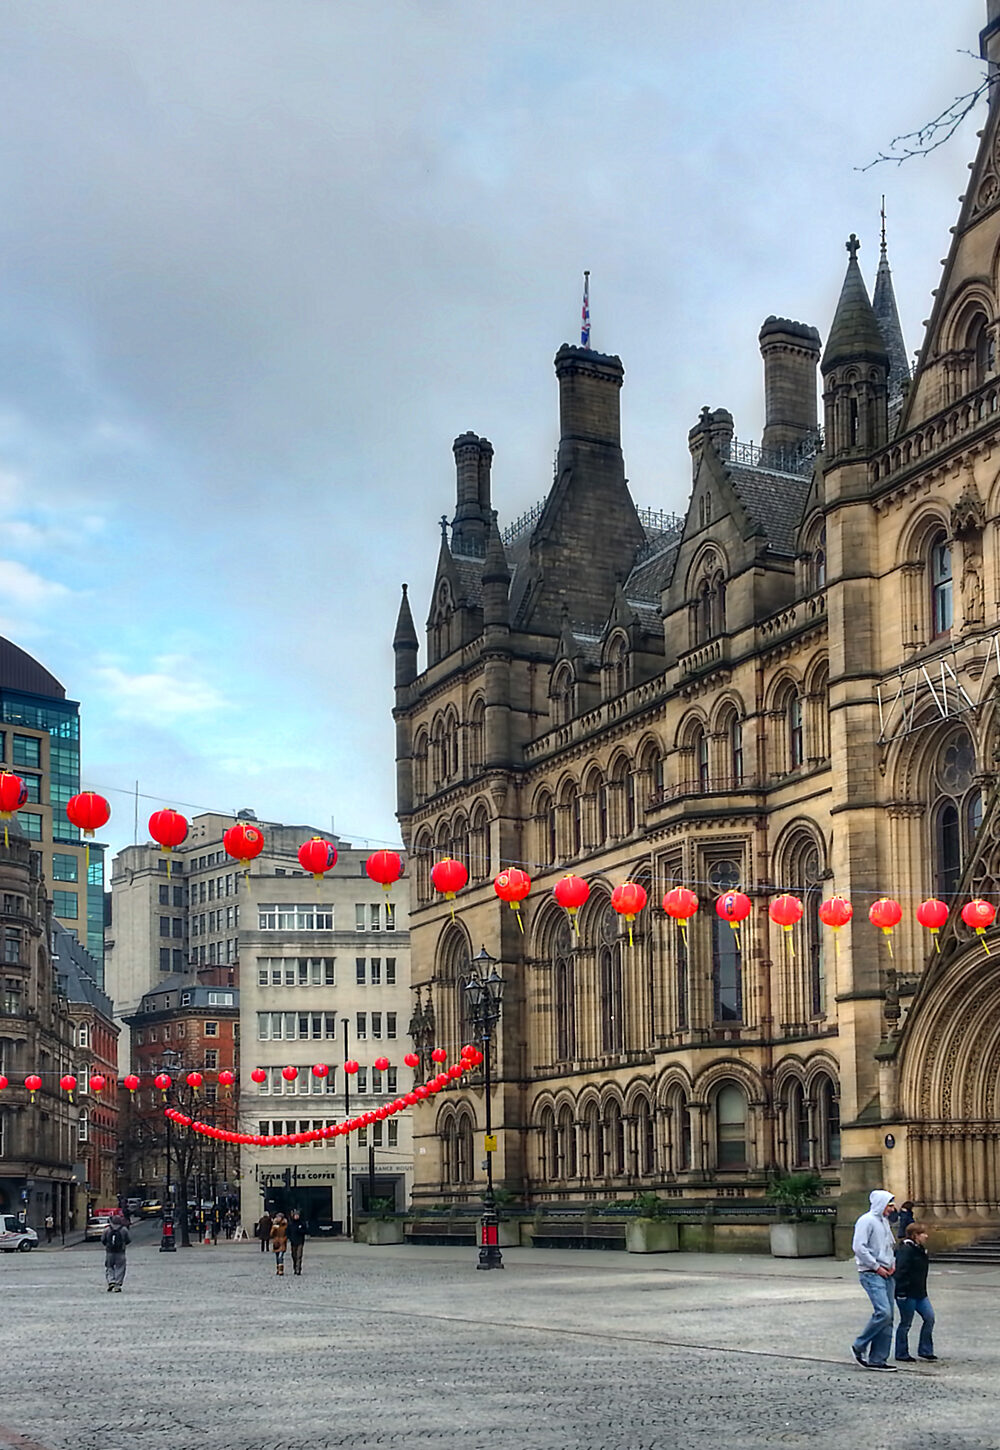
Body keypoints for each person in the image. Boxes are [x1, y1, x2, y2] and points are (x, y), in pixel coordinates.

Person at [851, 1189, 897, 1371]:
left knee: (889, 1318)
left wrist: (892, 1263)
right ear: (881, 1204)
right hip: (871, 1273)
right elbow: (859, 1247)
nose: (892, 1209)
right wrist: (876, 1266)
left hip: (887, 1272)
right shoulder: (866, 1220)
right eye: (890, 1205)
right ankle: (859, 1345)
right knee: (883, 1312)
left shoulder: (884, 1222)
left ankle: (878, 1359)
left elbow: (889, 1246)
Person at [895, 1222, 937, 1363]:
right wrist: (901, 1291)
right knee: (906, 1323)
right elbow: (901, 1271)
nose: (926, 1236)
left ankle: (925, 1350)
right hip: (907, 1293)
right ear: (915, 1236)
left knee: (929, 1317)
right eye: (923, 1233)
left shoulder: (919, 1249)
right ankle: (901, 1352)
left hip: (920, 1292)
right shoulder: (907, 1250)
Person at [101, 1212, 130, 1293]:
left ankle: (111, 1281)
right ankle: (117, 1284)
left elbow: (103, 1239)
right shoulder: (124, 1229)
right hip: (120, 1252)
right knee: (120, 1267)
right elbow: (128, 1240)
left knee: (109, 1267)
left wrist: (107, 1245)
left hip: (109, 1252)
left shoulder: (107, 1229)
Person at [287, 1209, 307, 1276]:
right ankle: (295, 1267)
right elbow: (288, 1232)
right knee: (294, 1256)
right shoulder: (291, 1224)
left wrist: (300, 1230)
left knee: (299, 1256)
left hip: (300, 1241)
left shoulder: (302, 1223)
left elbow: (306, 1231)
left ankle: (298, 1269)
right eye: (295, 1215)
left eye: (297, 1215)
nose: (296, 1216)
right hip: (293, 1241)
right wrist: (290, 1238)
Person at [270, 1212, 288, 1276]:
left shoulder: (285, 1225)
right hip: (276, 1243)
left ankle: (281, 1270)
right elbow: (271, 1234)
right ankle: (278, 1269)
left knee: (280, 1256)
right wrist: (273, 1228)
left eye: (279, 1217)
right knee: (277, 1257)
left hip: (282, 1242)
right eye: (277, 1217)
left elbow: (287, 1233)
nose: (278, 1218)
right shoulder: (275, 1225)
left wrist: (284, 1239)